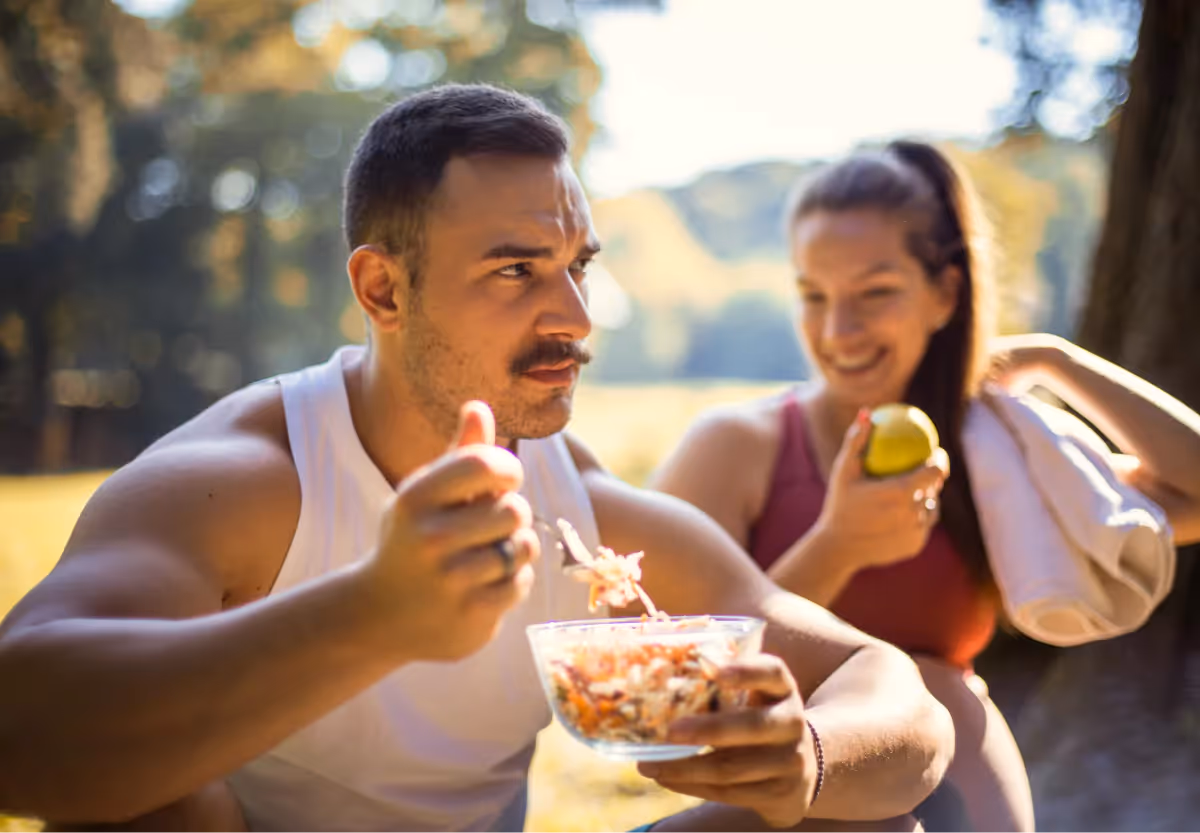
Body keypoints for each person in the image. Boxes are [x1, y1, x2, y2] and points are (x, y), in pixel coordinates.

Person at [0, 86, 955, 833]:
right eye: (515, 269)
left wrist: (808, 760)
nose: (576, 320)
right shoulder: (242, 477)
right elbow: (23, 731)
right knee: (134, 812)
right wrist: (374, 614)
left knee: (859, 821)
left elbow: (895, 694)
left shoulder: (574, 501)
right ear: (383, 288)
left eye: (576, 266)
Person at [649, 141, 1200, 833]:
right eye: (814, 295)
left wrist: (1056, 361)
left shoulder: (994, 460)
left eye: (875, 292)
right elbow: (661, 684)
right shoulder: (738, 445)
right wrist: (837, 546)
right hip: (796, 796)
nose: (837, 329)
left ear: (945, 293)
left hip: (955, 786)